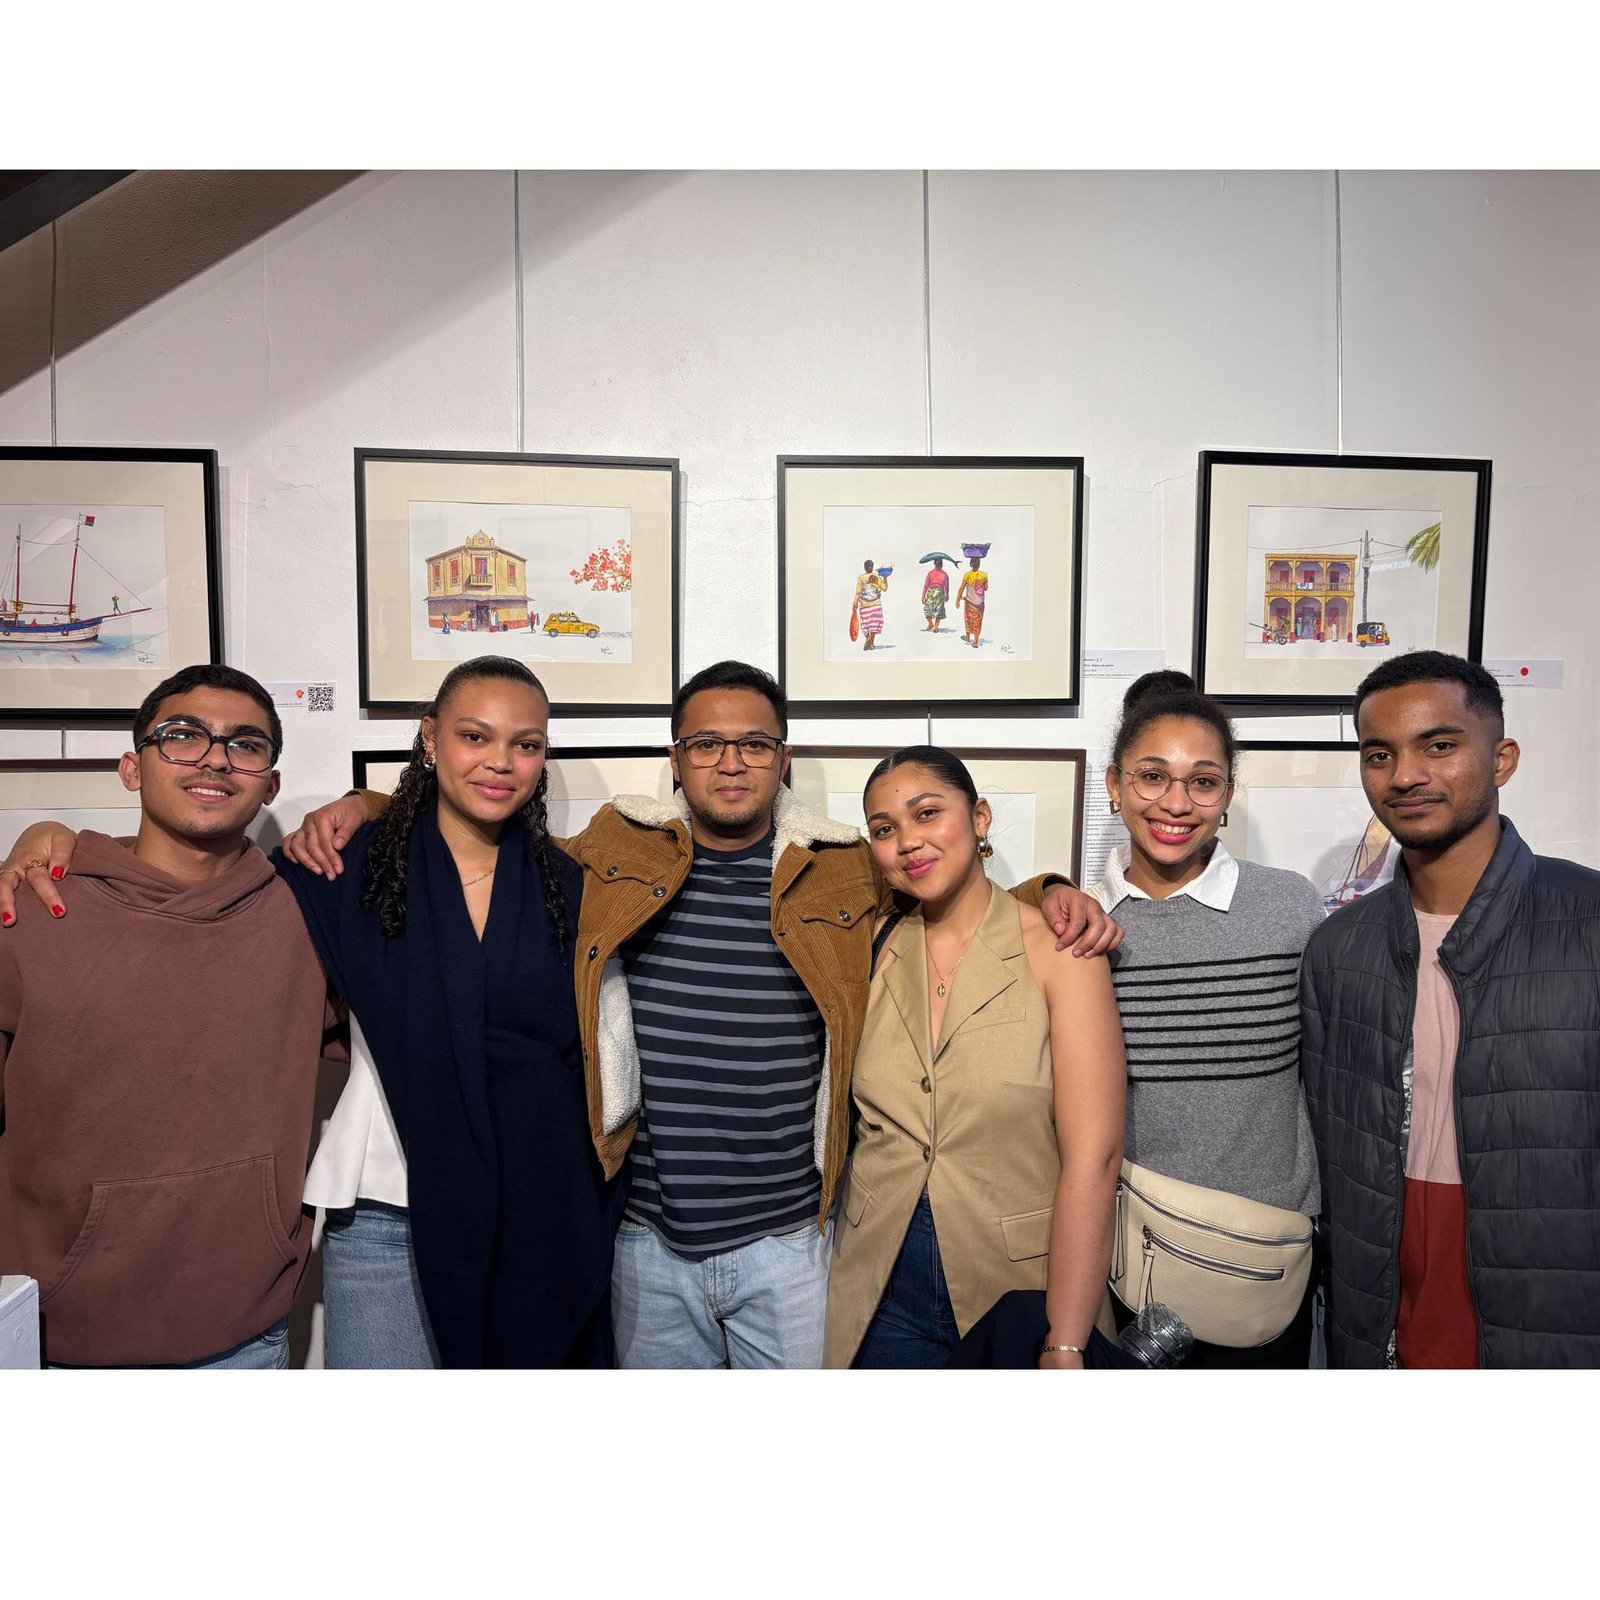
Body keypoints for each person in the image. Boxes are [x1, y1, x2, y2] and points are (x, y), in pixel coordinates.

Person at [277, 660, 1119, 1368]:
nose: (730, 763)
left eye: (754, 744)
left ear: (783, 759)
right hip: (646, 1242)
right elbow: (481, 838)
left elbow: (945, 889)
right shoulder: (612, 852)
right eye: (706, 744)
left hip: (791, 1246)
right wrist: (369, 804)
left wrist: (1050, 894)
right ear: (675, 760)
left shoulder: (844, 868)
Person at [0, 658, 625, 1370]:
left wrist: (363, 801)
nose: (500, 761)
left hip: (532, 1217)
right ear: (430, 737)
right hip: (378, 1217)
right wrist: (44, 838)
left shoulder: (567, 886)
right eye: (475, 735)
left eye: (526, 744)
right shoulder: (333, 877)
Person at [0, 664, 332, 1368]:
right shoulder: (29, 908)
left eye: (245, 744)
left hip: (246, 1329)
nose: (215, 758)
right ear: (132, 767)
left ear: (271, 784)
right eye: (183, 736)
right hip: (58, 1339)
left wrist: (363, 805)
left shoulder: (309, 916)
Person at [1301, 650, 1600, 1368]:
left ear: (1502, 759)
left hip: (1552, 1317)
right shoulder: (1339, 947)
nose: (1404, 775)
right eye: (1379, 754)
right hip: (1375, 1313)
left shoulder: (1588, 919)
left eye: (1438, 746)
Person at [824, 747, 1125, 1368]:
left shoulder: (1061, 950)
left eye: (927, 813)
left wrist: (1066, 1340)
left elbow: (1094, 1159)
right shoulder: (869, 946)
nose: (908, 841)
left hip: (1019, 1283)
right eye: (884, 829)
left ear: (979, 817)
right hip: (878, 1282)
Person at [1090, 670, 1324, 1368]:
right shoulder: (1078, 918)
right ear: (1114, 785)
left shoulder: (1288, 906)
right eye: (1152, 776)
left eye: (1203, 781)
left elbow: (1332, 1070)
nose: (1176, 802)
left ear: (1226, 796)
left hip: (1265, 1251)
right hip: (1130, 1253)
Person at [854, 560, 888, 651]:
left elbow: (858, 592)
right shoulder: (876, 576)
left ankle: (868, 639)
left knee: (865, 624)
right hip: (876, 605)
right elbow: (884, 588)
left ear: (864, 567)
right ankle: (871, 643)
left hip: (864, 605)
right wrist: (885, 578)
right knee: (874, 624)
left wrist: (855, 602)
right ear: (872, 567)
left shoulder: (861, 578)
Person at [955, 553, 988, 648]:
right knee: (977, 621)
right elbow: (986, 588)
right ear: (979, 564)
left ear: (971, 564)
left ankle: (968, 637)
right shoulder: (984, 575)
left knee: (968, 619)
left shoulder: (967, 575)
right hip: (980, 604)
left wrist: (958, 599)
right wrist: (979, 585)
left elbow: (961, 588)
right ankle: (976, 641)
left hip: (969, 603)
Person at [920, 558, 949, 632]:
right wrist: (923, 596)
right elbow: (926, 585)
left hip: (939, 593)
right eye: (938, 563)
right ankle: (931, 624)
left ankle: (935, 626)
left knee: (938, 610)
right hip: (932, 592)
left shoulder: (944, 574)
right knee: (928, 609)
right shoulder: (931, 573)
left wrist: (947, 595)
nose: (939, 565)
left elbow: (946, 586)